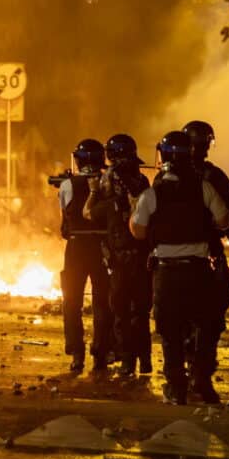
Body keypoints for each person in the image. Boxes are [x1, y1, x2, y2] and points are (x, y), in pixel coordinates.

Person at [129, 131, 229, 404]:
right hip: (198, 272)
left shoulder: (153, 194)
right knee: (206, 327)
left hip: (166, 272)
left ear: (162, 156)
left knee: (170, 331)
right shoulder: (203, 187)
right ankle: (202, 382)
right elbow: (224, 220)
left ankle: (176, 387)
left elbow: (138, 232)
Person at [183, 120, 229, 387]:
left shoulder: (166, 178)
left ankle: (184, 367)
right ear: (208, 144)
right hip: (208, 255)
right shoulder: (214, 177)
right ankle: (202, 370)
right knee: (212, 313)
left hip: (173, 256)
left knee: (178, 316)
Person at [83, 134, 152, 376]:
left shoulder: (109, 200)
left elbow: (88, 214)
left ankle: (127, 361)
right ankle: (144, 360)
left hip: (122, 260)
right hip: (142, 260)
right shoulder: (143, 184)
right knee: (140, 313)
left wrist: (93, 192)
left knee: (122, 312)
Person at [58, 139, 114, 374]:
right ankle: (101, 353)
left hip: (76, 248)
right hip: (101, 248)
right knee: (103, 303)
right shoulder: (109, 182)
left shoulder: (67, 185)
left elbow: (64, 225)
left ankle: (76, 353)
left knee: (72, 302)